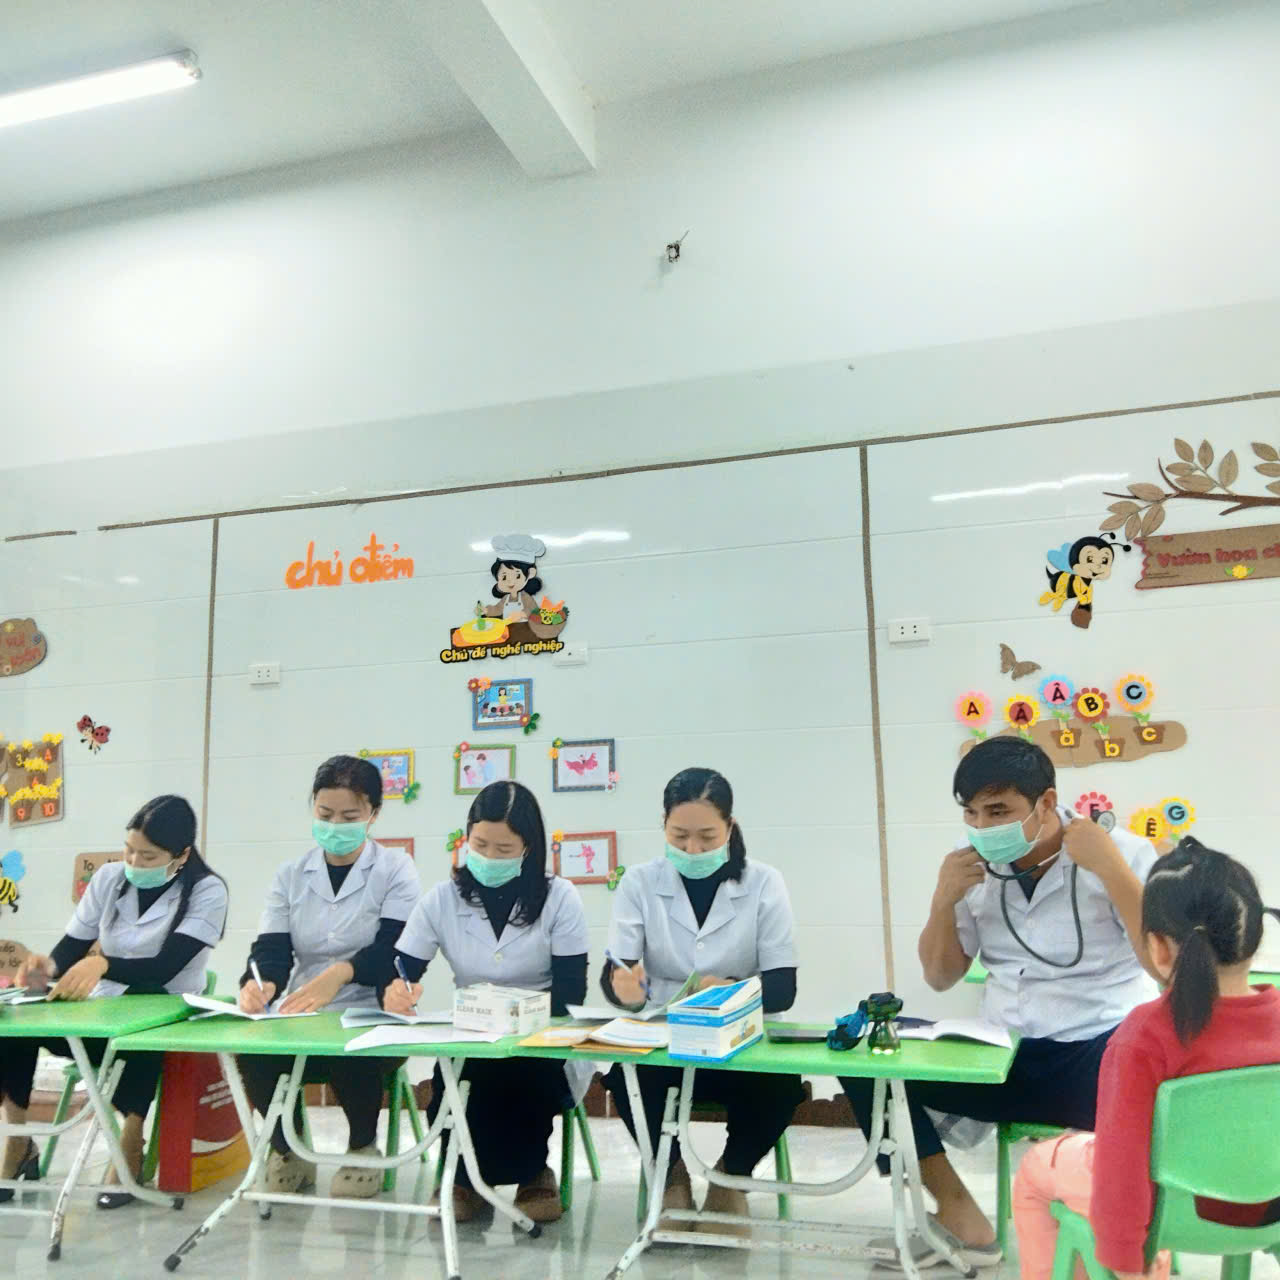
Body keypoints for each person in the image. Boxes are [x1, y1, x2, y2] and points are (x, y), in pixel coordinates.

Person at [841, 736, 1158, 1269]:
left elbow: (1161, 963)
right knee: (866, 1055)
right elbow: (940, 976)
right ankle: (961, 1216)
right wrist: (943, 899)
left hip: (1097, 1052)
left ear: (1046, 803)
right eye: (971, 813)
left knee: (1148, 1064)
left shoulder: (1119, 852)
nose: (983, 827)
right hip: (1003, 1052)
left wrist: (1111, 870)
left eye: (998, 811)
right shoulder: (970, 867)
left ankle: (1116, 1235)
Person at [1013, 839, 1280, 1280]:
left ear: (1158, 948)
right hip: (1267, 1211)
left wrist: (1127, 1263)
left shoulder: (1146, 1034)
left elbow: (1122, 1164)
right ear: (1253, 938)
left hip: (1171, 1216)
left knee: (1039, 1165)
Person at [600, 766, 803, 1236]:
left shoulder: (764, 882)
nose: (692, 849)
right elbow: (617, 973)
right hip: (667, 1036)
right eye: (680, 836)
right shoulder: (639, 883)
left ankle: (731, 1178)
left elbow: (783, 987)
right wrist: (624, 988)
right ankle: (670, 1175)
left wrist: (730, 988)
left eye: (707, 837)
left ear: (730, 828)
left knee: (780, 1087)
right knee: (627, 1078)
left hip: (741, 1036)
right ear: (663, 827)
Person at [1, 796, 227, 1209]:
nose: (134, 862)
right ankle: (18, 1142)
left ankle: (130, 1145)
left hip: (166, 1011)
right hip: (104, 1009)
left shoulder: (208, 891)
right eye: (129, 851)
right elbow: (71, 948)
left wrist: (103, 964)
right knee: (14, 1025)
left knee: (140, 1032)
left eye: (148, 856)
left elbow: (164, 968)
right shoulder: (108, 878)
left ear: (181, 855)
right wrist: (44, 968)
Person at [385, 780, 587, 1223]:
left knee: (524, 1078)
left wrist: (517, 1015)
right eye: (480, 845)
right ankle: (461, 1178)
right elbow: (403, 967)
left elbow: (572, 992)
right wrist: (398, 989)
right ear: (466, 839)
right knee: (456, 1078)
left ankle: (533, 1174)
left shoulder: (560, 898)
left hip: (538, 1036)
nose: (490, 858)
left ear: (528, 848)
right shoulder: (441, 899)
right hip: (470, 1035)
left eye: (504, 848)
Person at [236, 755, 420, 1199]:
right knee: (252, 1052)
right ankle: (288, 1150)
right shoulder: (290, 875)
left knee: (349, 1048)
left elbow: (395, 949)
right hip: (302, 1011)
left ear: (373, 814)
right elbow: (271, 947)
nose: (335, 825)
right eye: (325, 814)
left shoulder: (395, 870)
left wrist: (341, 973)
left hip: (372, 1009)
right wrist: (261, 983)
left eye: (349, 817)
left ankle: (362, 1148)